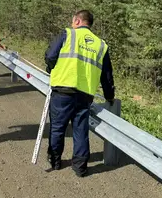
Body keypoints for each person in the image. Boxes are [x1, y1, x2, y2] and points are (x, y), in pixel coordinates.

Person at [45, 10, 115, 177]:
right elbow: (107, 76)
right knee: (80, 129)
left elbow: (50, 55)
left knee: (57, 127)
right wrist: (109, 96)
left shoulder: (67, 34)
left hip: (62, 90)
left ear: (77, 21)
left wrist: (50, 68)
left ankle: (55, 161)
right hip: (85, 95)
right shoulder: (101, 45)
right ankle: (80, 167)